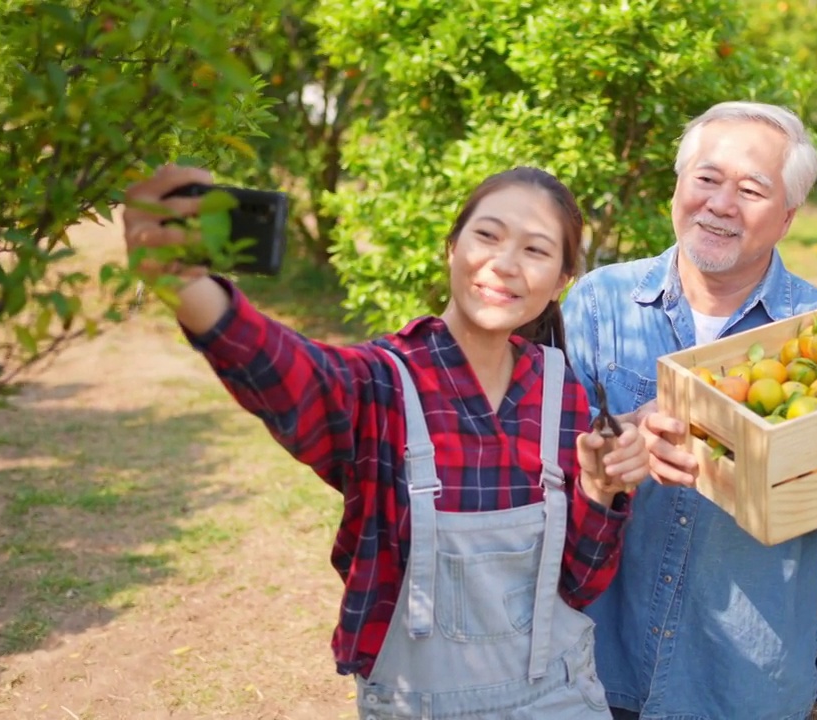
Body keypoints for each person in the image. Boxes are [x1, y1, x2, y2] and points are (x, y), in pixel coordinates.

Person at [122, 164, 652, 719]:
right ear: (452, 247)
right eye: (488, 236)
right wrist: (189, 288)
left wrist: (598, 489)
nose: (504, 263)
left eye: (536, 251)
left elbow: (578, 586)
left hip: (558, 698)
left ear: (562, 280)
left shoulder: (559, 391)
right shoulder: (381, 386)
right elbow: (287, 371)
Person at [561, 101, 817, 720]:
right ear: (678, 186)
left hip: (743, 683)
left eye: (750, 189)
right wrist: (606, 459)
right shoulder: (599, 305)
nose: (720, 204)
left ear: (789, 216)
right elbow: (546, 471)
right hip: (598, 668)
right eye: (706, 179)